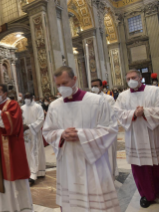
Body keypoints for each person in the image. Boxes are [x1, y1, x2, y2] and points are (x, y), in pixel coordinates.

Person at [42, 66, 119, 212]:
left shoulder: (96, 101)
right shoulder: (54, 106)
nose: (61, 88)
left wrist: (81, 135)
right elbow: (47, 132)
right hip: (67, 163)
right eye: (58, 85)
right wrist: (61, 135)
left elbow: (110, 129)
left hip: (93, 162)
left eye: (64, 83)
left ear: (75, 79)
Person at [0, 84, 33, 212]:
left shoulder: (13, 104)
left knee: (14, 178)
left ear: (5, 94)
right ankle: (1, 208)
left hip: (11, 148)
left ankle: (20, 208)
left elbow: (12, 124)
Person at [114, 69, 159, 208]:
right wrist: (134, 113)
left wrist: (144, 111)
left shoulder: (154, 91)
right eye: (128, 79)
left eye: (133, 77)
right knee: (139, 168)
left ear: (140, 78)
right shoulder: (122, 96)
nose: (131, 80)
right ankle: (145, 194)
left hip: (153, 135)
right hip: (134, 137)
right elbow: (117, 112)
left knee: (156, 165)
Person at [91, 78, 118, 180]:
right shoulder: (89, 99)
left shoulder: (108, 99)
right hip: (94, 131)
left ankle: (110, 176)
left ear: (101, 87)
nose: (94, 88)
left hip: (107, 131)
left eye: (96, 86)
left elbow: (112, 114)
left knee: (109, 155)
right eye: (92, 86)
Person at [22, 93, 46, 186]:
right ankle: (31, 171)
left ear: (32, 97)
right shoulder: (22, 108)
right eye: (25, 97)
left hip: (34, 132)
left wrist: (30, 126)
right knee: (28, 152)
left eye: (28, 97)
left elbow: (41, 119)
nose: (27, 99)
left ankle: (35, 174)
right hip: (25, 133)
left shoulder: (38, 107)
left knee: (35, 152)